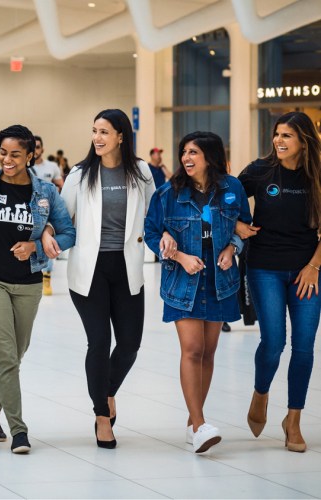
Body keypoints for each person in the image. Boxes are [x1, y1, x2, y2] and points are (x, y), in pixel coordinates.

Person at [0, 125, 75, 453]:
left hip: (29, 282)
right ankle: (19, 430)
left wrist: (36, 245)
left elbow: (68, 233)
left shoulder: (46, 192)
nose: (7, 159)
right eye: (3, 153)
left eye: (15, 154)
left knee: (16, 354)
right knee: (6, 355)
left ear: (30, 155)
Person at [145, 131, 251, 454]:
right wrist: (176, 254)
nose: (187, 159)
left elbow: (244, 227)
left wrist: (233, 248)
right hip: (183, 281)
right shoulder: (168, 193)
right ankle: (200, 422)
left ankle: (195, 425)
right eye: (184, 153)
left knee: (208, 352)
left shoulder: (231, 189)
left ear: (211, 157)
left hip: (219, 280)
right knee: (192, 349)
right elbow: (151, 232)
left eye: (194, 153)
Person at [60, 108, 155, 449]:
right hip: (90, 270)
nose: (97, 138)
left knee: (129, 343)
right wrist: (46, 237)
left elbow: (153, 214)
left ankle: (107, 390)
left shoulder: (141, 172)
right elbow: (62, 217)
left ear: (121, 137)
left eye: (104, 132)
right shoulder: (81, 174)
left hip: (127, 267)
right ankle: (102, 415)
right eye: (94, 131)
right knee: (99, 342)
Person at [239, 111, 321, 453]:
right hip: (265, 267)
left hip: (307, 270)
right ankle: (261, 392)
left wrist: (314, 266)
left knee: (303, 346)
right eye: (277, 134)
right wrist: (236, 227)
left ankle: (294, 420)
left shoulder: (317, 175)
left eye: (287, 135)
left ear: (304, 140)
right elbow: (221, 197)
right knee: (274, 342)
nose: (279, 141)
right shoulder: (260, 170)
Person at [31, 136, 64, 295]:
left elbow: (61, 186)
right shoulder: (24, 166)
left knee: (49, 242)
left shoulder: (52, 167)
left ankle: (47, 278)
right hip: (29, 211)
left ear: (42, 149)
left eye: (38, 147)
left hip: (49, 212)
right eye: (33, 147)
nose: (35, 150)